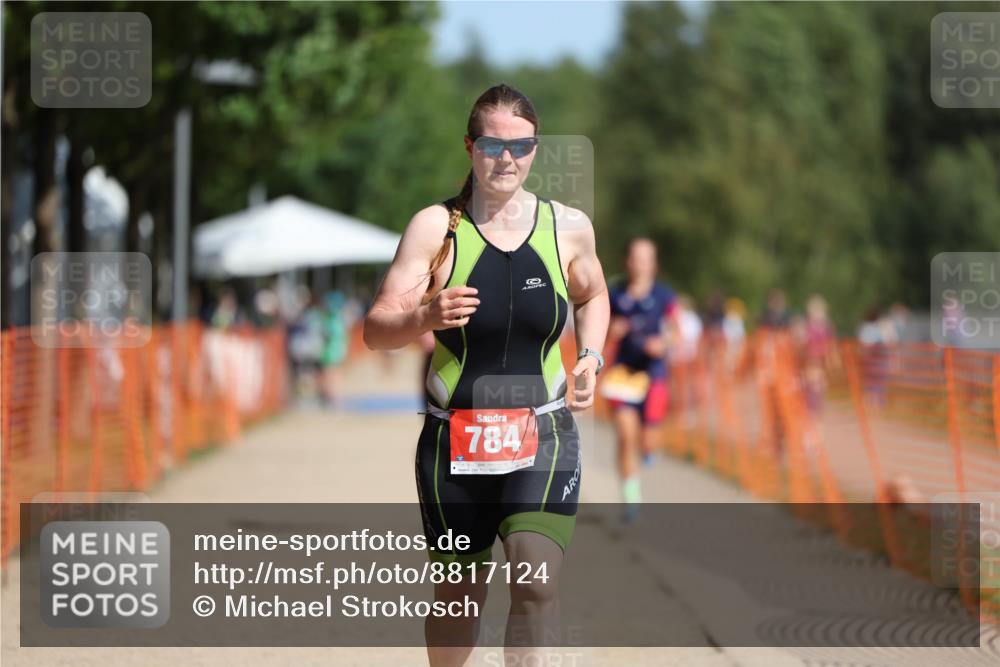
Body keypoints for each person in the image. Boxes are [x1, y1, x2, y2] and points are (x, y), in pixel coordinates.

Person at [363, 83, 609, 665]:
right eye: (493, 145)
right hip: (455, 440)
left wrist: (591, 357)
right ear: (469, 147)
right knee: (458, 597)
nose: (507, 159)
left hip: (542, 434)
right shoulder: (435, 227)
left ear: (535, 149)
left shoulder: (567, 227)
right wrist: (424, 314)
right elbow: (376, 330)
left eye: (521, 146)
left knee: (535, 581)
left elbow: (593, 295)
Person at [601, 238, 676, 520]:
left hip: (653, 374)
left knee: (648, 442)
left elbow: (677, 331)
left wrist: (664, 343)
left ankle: (648, 447)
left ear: (654, 264)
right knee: (625, 434)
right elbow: (598, 329)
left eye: (645, 259)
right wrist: (612, 332)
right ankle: (631, 493)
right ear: (627, 261)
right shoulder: (615, 294)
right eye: (635, 258)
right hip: (622, 374)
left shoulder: (664, 296)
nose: (639, 264)